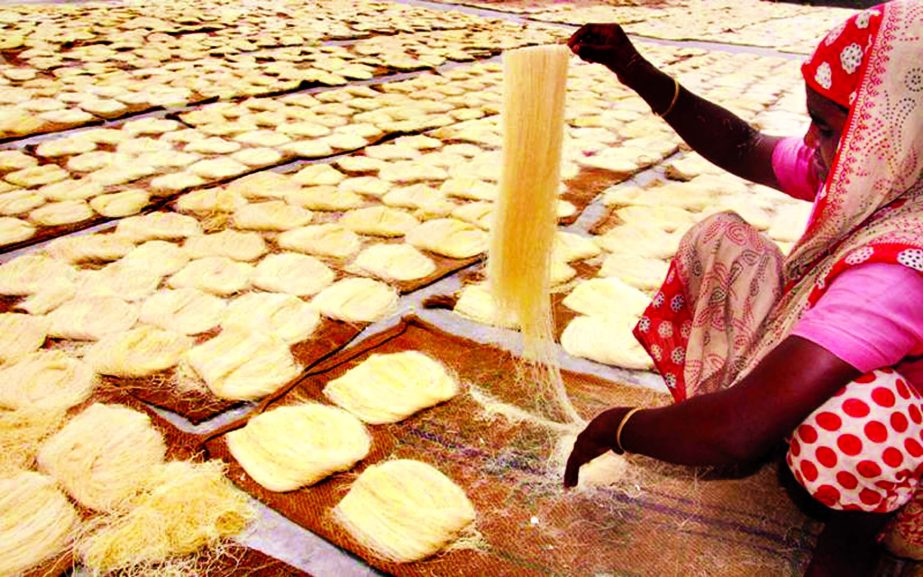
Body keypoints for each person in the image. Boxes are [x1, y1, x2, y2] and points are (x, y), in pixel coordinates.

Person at [563, 2, 923, 575]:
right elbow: (744, 146)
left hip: (908, 460)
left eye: (827, 128)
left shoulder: (902, 268)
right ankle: (737, 412)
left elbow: (738, 432)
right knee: (727, 241)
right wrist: (634, 68)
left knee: (856, 427)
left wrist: (621, 426)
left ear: (892, 131)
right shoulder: (886, 173)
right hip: (862, 375)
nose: (811, 140)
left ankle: (856, 540)